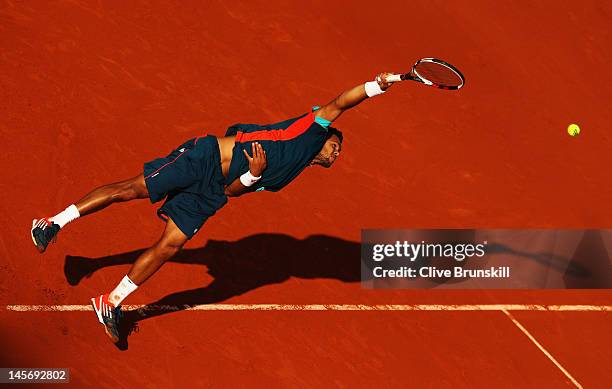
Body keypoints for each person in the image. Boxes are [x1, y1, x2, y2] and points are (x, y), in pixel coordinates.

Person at [30, 73, 395, 342]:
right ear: (326, 134)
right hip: (204, 158)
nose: (338, 152)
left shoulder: (288, 175)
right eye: (337, 145)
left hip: (214, 190)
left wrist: (253, 175)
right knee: (131, 189)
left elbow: (236, 191)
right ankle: (52, 223)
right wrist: (378, 85)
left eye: (340, 151)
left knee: (172, 245)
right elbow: (343, 101)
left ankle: (110, 301)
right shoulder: (311, 128)